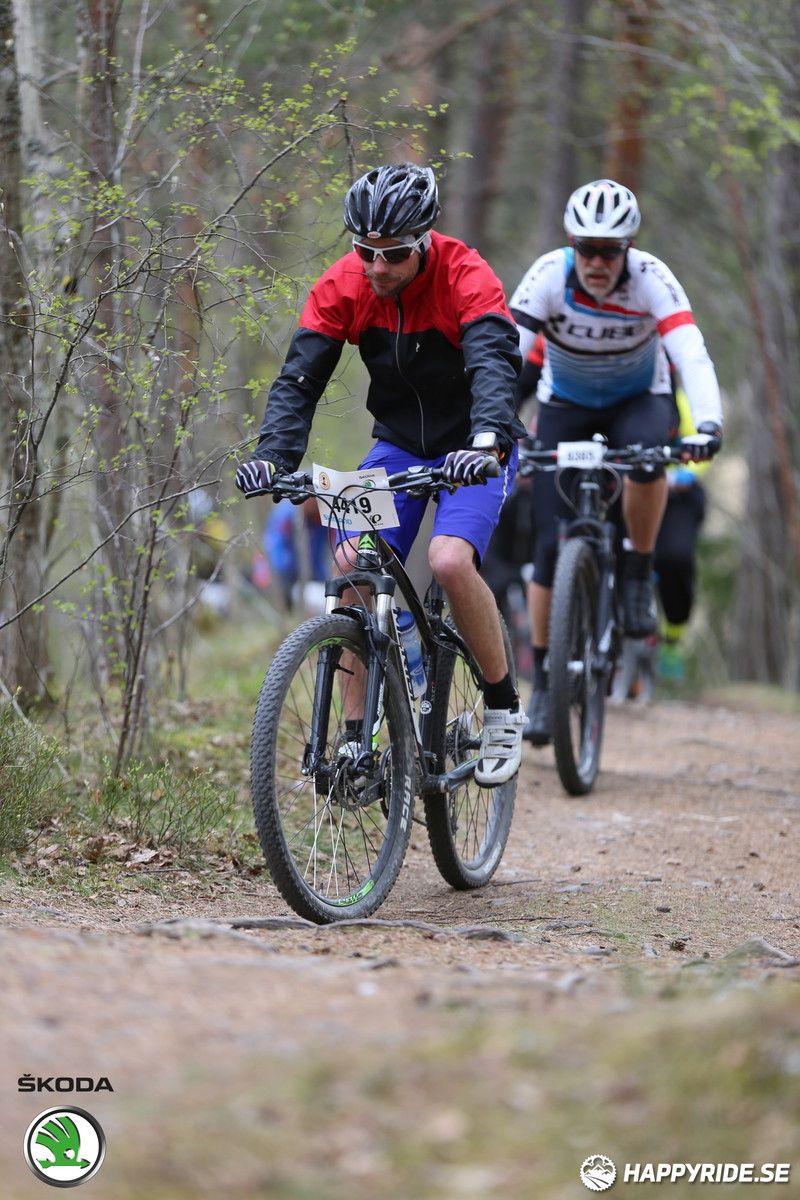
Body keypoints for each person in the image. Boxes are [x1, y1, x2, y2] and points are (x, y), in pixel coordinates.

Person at [235, 162, 528, 785]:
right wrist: (274, 456)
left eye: (394, 254)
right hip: (398, 446)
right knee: (350, 566)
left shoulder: (465, 275)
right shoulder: (345, 283)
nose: (377, 267)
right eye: (365, 251)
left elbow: (495, 366)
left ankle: (503, 708)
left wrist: (486, 440)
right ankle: (355, 743)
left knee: (449, 561)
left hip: (474, 445)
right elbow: (299, 380)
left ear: (425, 241)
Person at [508, 178, 723, 744]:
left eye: (610, 250)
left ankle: (634, 571)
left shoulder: (652, 278)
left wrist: (708, 423)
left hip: (638, 400)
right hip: (566, 404)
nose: (597, 261)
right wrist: (493, 423)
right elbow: (508, 352)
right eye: (587, 249)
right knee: (548, 549)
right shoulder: (548, 275)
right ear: (572, 245)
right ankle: (546, 680)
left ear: (628, 249)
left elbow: (691, 353)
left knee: (649, 460)